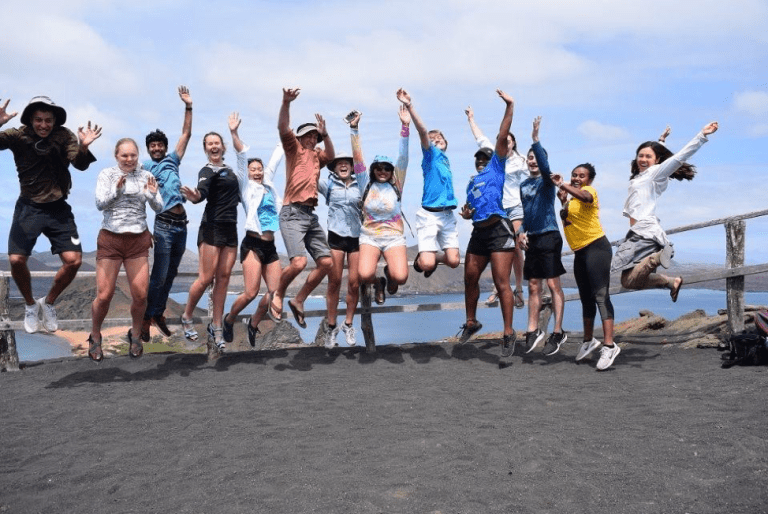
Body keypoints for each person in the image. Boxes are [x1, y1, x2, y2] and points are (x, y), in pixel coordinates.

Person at [0, 96, 101, 333]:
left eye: (48, 120)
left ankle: (49, 302)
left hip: (58, 208)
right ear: (30, 120)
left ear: (54, 120)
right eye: (38, 120)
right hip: (28, 207)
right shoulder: (18, 135)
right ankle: (30, 305)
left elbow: (80, 164)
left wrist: (84, 146)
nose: (43, 125)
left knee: (74, 261)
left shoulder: (64, 136)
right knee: (15, 260)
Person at [610, 122, 719, 302]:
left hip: (643, 234)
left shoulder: (654, 174)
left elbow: (678, 158)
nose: (643, 159)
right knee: (629, 281)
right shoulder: (642, 177)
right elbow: (657, 160)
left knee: (628, 281)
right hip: (638, 234)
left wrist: (702, 135)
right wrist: (661, 141)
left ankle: (656, 258)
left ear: (657, 161)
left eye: (648, 156)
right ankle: (671, 282)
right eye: (640, 155)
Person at [88, 138, 163, 361]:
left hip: (138, 241)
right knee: (104, 295)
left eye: (133, 155)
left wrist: (151, 194)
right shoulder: (107, 174)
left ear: (138, 156)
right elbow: (100, 203)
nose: (129, 159)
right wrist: (117, 191)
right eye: (125, 155)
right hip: (111, 239)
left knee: (140, 295)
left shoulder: (146, 175)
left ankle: (136, 334)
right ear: (116, 156)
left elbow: (159, 206)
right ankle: (95, 336)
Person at [458, 90, 518, 356]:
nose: (482, 161)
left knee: (501, 281)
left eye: (486, 157)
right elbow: (472, 208)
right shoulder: (472, 181)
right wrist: (467, 214)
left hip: (498, 231)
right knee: (470, 277)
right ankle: (471, 322)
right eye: (478, 158)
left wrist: (509, 107)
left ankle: (508, 333)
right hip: (478, 233)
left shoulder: (497, 167)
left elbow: (502, 135)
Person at [270, 88, 335, 330]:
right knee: (298, 263)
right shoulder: (293, 149)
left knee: (327, 263)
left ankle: (298, 300)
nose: (311, 138)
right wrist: (286, 102)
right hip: (292, 213)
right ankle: (278, 294)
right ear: (299, 138)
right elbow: (282, 127)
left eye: (314, 136)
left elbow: (331, 154)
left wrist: (325, 133)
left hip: (310, 215)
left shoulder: (318, 156)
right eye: (307, 135)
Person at [221, 112, 284, 347]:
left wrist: (285, 132)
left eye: (259, 168)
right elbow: (241, 156)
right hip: (252, 245)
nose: (257, 171)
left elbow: (278, 157)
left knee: (275, 292)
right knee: (250, 293)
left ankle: (254, 323)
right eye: (253, 169)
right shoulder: (246, 188)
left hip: (270, 245)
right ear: (247, 173)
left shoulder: (268, 186)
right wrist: (234, 133)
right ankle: (229, 319)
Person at [141, 85, 193, 342]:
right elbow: (138, 196)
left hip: (182, 224)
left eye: (160, 144)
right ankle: (146, 318)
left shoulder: (173, 159)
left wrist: (188, 105)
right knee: (159, 275)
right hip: (162, 225)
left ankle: (157, 314)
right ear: (149, 148)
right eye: (153, 145)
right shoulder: (145, 167)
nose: (157, 148)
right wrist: (145, 228)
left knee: (170, 274)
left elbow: (186, 133)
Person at [179, 129, 239, 356]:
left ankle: (216, 327)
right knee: (205, 278)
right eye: (209, 144)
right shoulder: (206, 171)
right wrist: (194, 197)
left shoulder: (231, 171)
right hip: (211, 227)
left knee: (223, 279)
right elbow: (200, 193)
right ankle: (187, 316)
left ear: (223, 147)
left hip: (230, 229)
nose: (214, 146)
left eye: (217, 143)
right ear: (205, 149)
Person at [553, 164, 618, 370]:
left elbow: (585, 198)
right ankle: (588, 341)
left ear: (589, 180)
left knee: (600, 295)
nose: (577, 178)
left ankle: (609, 345)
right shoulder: (571, 200)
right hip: (580, 253)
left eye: (582, 176)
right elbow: (570, 221)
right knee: (585, 299)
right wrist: (563, 201)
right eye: (574, 175)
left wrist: (561, 183)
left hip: (596, 248)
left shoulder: (589, 192)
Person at [465, 105, 528, 309]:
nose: (505, 143)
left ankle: (518, 288)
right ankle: (499, 287)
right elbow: (479, 137)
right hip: (497, 210)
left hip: (515, 207)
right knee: (497, 248)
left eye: (509, 141)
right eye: (503, 140)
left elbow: (531, 182)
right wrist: (471, 119)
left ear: (514, 143)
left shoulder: (522, 161)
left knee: (517, 245)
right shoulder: (493, 157)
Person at [397, 89, 460, 279]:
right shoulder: (430, 156)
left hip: (447, 214)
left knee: (454, 261)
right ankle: (423, 259)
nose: (436, 139)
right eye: (432, 139)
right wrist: (410, 106)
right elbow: (422, 131)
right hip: (429, 215)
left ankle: (433, 257)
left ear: (446, 142)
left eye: (439, 137)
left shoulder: (446, 161)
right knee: (426, 263)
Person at [518, 116, 567, 356]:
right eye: (530, 157)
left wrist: (535, 139)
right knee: (533, 285)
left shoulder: (547, 181)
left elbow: (547, 168)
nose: (533, 160)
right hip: (533, 239)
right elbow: (525, 214)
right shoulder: (524, 184)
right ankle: (532, 330)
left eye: (537, 157)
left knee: (552, 284)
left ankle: (557, 331)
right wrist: (520, 232)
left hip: (549, 235)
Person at [353, 104, 411, 307]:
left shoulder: (397, 185)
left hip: (394, 237)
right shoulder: (365, 184)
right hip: (369, 236)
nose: (383, 171)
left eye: (387, 168)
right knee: (364, 274)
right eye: (379, 168)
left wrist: (405, 127)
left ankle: (390, 275)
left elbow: (403, 157)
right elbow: (358, 159)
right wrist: (354, 130)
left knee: (401, 277)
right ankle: (379, 283)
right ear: (373, 170)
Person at [316, 147, 361, 348]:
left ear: (352, 167)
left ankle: (348, 324)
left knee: (353, 283)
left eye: (347, 162)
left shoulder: (361, 184)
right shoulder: (328, 185)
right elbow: (311, 175)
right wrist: (315, 157)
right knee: (334, 282)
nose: (343, 164)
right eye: (339, 162)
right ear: (334, 167)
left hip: (356, 237)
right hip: (335, 236)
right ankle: (332, 327)